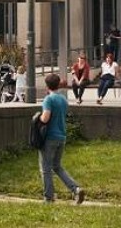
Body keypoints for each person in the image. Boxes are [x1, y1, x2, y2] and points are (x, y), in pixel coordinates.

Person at [38, 73, 84, 204]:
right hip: (61, 136)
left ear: (47, 86)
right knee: (57, 166)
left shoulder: (48, 99)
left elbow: (45, 117)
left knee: (46, 168)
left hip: (50, 138)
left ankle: (49, 197)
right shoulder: (63, 99)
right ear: (58, 85)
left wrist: (38, 118)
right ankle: (76, 189)